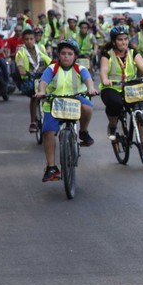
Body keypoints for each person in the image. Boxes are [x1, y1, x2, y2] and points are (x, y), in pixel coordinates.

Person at [34, 40, 98, 182]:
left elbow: (88, 81)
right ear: (59, 55)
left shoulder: (80, 69)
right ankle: (51, 167)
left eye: (70, 54)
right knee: (48, 131)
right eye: (63, 53)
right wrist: (41, 91)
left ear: (75, 56)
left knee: (87, 108)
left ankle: (83, 131)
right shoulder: (52, 68)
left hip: (76, 99)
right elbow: (43, 82)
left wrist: (91, 89)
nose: (66, 56)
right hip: (54, 102)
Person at [99, 25, 143, 143]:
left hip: (130, 87)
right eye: (120, 39)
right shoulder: (107, 54)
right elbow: (104, 69)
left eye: (125, 39)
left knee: (139, 111)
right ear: (114, 42)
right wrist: (105, 79)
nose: (123, 42)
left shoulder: (132, 52)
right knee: (116, 104)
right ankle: (113, 126)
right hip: (112, 87)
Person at [15, 29, 53, 132]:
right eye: (26, 39)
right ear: (23, 40)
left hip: (43, 75)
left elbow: (47, 60)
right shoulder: (21, 52)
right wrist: (22, 71)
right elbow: (20, 64)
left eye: (31, 39)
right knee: (34, 97)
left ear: (34, 39)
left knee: (52, 95)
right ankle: (32, 122)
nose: (29, 41)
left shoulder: (41, 48)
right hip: (31, 78)